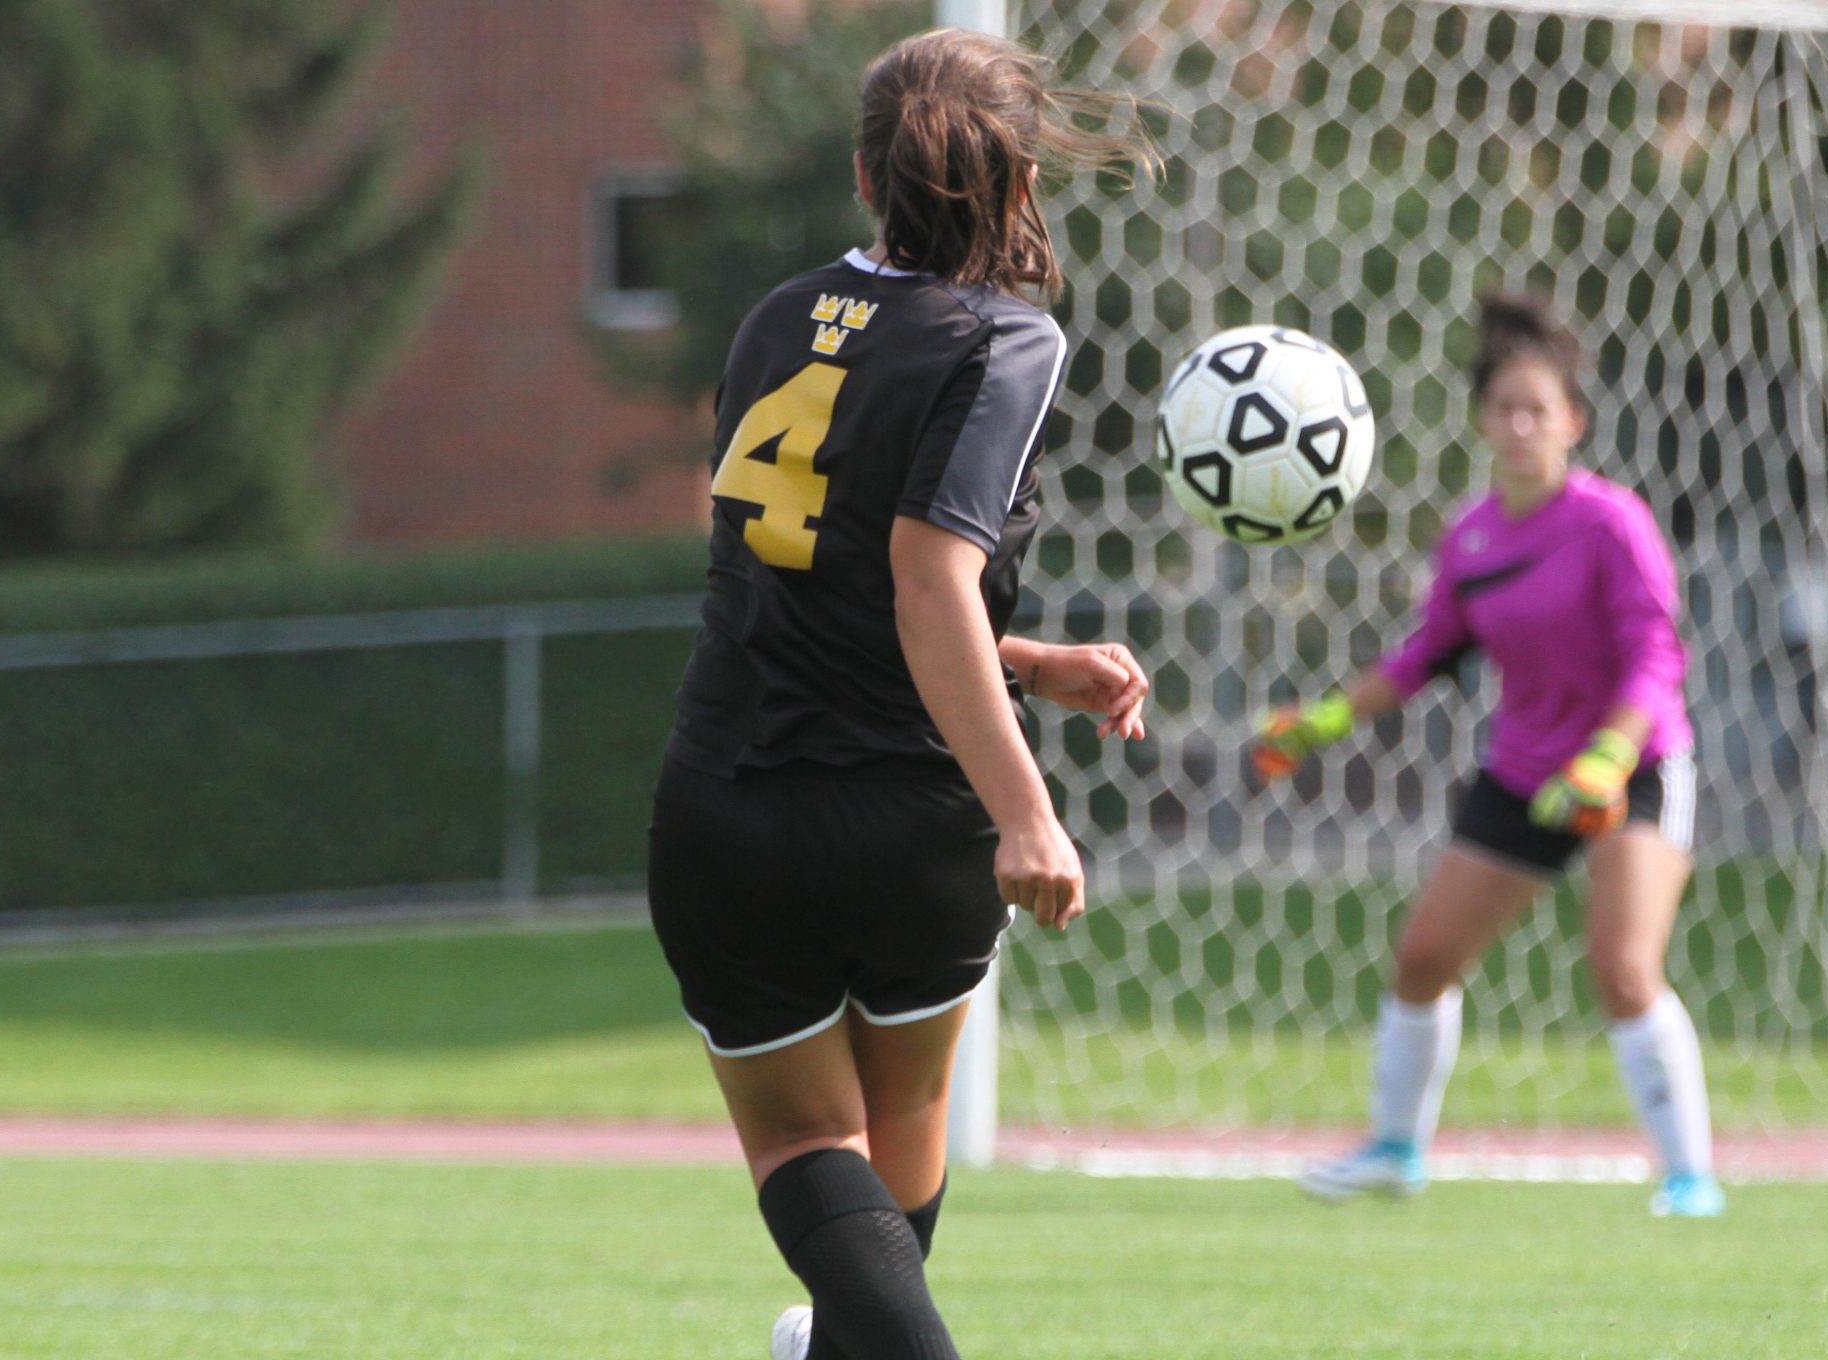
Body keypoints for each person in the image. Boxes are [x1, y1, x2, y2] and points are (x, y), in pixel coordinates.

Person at [645, 29, 1157, 1360]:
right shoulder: (1006, 339)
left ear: (863, 179)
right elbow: (926, 575)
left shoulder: (772, 320)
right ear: (1022, 179)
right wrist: (1028, 813)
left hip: (732, 807)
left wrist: (1033, 664)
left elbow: (814, 579)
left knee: (817, 1150)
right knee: (894, 1138)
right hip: (912, 821)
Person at [1252, 294, 1724, 1218]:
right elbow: (1427, 655)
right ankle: (1394, 1151)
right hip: (1524, 770)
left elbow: (1656, 657)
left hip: (1632, 768)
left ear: (1572, 423)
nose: (1520, 424)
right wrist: (1324, 721)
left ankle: (1688, 1175)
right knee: (1424, 954)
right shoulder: (1471, 538)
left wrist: (1605, 759)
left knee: (1623, 966)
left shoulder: (1611, 523)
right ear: (1480, 419)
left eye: (1538, 409)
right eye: (1505, 407)